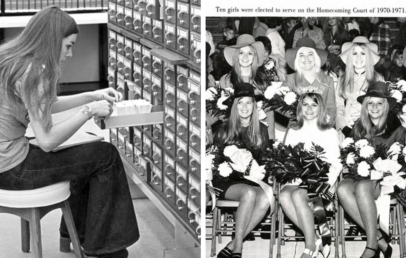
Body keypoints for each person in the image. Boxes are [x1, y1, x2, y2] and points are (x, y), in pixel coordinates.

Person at [0, 6, 139, 258]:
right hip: (12, 169)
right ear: (52, 41)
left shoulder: (12, 58)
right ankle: (104, 249)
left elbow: (43, 105)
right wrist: (88, 110)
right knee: (104, 155)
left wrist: (91, 95)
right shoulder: (34, 72)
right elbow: (47, 141)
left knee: (85, 154)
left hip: (5, 160)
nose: (71, 53)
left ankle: (74, 234)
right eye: (68, 46)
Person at [337, 81, 402, 258]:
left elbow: (402, 160)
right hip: (362, 175)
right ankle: (379, 237)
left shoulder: (397, 128)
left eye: (379, 103)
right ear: (365, 106)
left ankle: (371, 246)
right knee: (342, 188)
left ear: (386, 106)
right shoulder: (359, 126)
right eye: (370, 103)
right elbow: (348, 153)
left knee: (363, 187)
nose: (374, 107)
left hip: (386, 180)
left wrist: (387, 167)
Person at [212, 83, 273, 258]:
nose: (245, 107)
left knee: (266, 198)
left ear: (254, 106)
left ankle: (232, 243)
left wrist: (259, 172)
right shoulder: (223, 129)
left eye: (249, 103)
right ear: (234, 106)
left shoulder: (261, 130)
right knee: (248, 193)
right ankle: (238, 249)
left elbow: (265, 162)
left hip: (252, 180)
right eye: (240, 103)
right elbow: (215, 163)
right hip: (227, 181)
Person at [280, 92, 342, 258]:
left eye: (314, 105)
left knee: (299, 195)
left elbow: (336, 163)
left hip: (323, 180)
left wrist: (327, 183)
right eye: (305, 104)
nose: (309, 109)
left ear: (320, 108)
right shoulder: (293, 131)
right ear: (300, 107)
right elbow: (287, 158)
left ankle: (309, 247)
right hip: (297, 178)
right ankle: (315, 239)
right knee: (284, 196)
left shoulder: (329, 132)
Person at [220, 34, 275, 139]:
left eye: (249, 53)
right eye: (241, 53)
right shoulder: (226, 80)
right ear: (236, 56)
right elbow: (220, 110)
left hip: (258, 134)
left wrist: (271, 139)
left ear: (254, 57)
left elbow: (269, 113)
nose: (245, 57)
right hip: (233, 133)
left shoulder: (262, 81)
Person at [335, 36, 383, 142]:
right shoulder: (342, 79)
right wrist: (343, 128)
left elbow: (382, 107)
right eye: (354, 53)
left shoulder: (378, 78)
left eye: (363, 53)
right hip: (346, 127)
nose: (358, 58)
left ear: (369, 56)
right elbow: (339, 107)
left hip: (370, 129)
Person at [281, 38, 337, 127]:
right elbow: (279, 105)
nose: (306, 58)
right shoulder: (290, 79)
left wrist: (326, 124)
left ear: (316, 58)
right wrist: (298, 116)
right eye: (301, 55)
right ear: (297, 59)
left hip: (321, 126)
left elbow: (331, 108)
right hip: (297, 127)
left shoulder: (328, 80)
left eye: (310, 54)